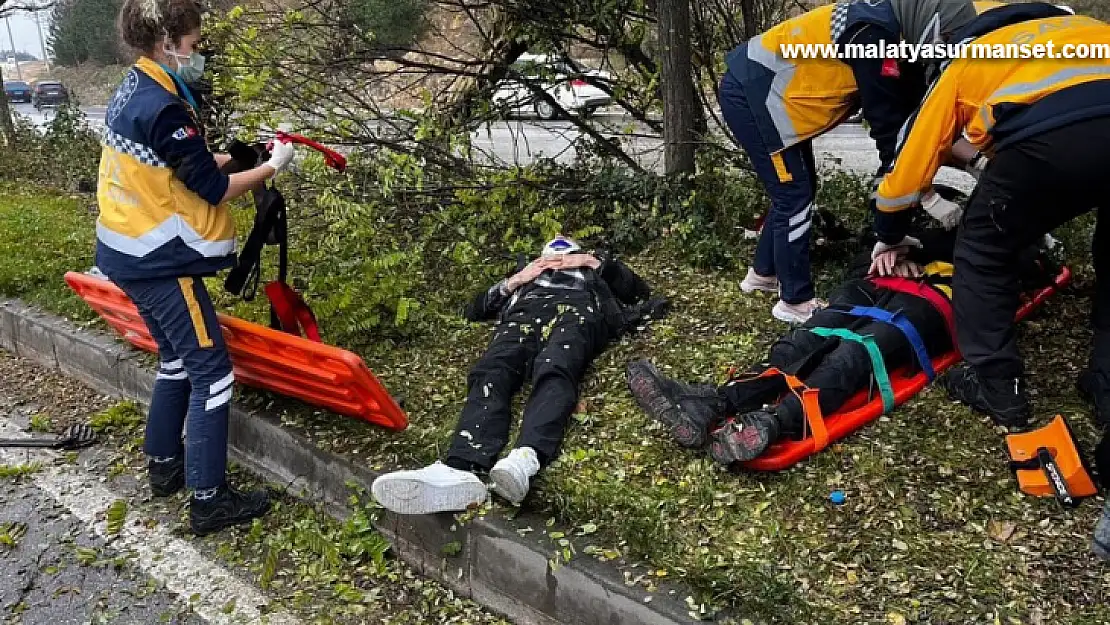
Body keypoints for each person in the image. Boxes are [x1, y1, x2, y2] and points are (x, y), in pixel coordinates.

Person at [627, 219, 1060, 465]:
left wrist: (957, 264)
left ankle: (775, 423)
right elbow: (879, 245)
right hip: (879, 285)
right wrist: (893, 253)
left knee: (858, 351)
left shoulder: (1019, 247)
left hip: (934, 301)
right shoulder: (947, 224)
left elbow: (1024, 273)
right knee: (806, 339)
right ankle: (715, 405)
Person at [99, 0, 296, 534]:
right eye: (192, 41)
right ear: (168, 43)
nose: (198, 50)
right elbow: (210, 190)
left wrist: (234, 156)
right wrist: (272, 168)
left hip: (126, 253)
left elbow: (173, 168)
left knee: (176, 362)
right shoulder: (165, 106)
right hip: (161, 262)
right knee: (213, 372)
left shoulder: (137, 88)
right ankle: (209, 499)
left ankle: (164, 469)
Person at [869, 3, 1110, 430]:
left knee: (983, 249)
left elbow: (907, 168)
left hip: (1049, 143)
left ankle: (997, 386)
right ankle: (1105, 380)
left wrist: (890, 232)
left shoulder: (968, 59)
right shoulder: (1089, 28)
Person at [719, 0, 977, 324]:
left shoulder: (894, 29)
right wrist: (901, 221)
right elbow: (892, 137)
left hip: (770, 96)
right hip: (754, 94)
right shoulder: (875, 37)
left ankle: (763, 273)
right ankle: (794, 301)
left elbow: (918, 123)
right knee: (793, 194)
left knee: (798, 189)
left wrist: (973, 161)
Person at [372, 237, 661, 514]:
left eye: (566, 245)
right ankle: (461, 467)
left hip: (576, 311)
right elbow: (474, 310)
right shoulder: (526, 273)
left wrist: (592, 262)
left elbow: (639, 292)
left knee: (555, 368)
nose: (559, 246)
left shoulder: (590, 269)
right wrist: (518, 279)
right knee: (491, 373)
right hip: (523, 316)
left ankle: (526, 457)